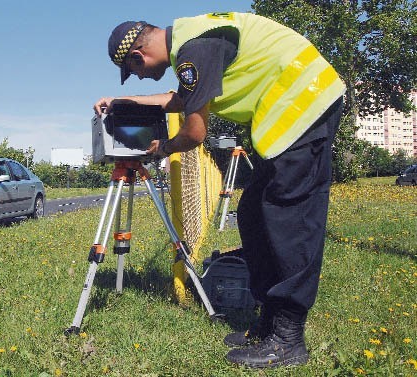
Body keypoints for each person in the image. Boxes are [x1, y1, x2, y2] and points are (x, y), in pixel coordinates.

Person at [94, 12, 345, 368]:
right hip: (294, 113)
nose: (137, 77)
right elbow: (180, 100)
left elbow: (194, 133)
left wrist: (161, 149)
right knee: (254, 215)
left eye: (133, 72)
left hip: (306, 107)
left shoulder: (195, 49)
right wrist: (125, 103)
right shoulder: (192, 44)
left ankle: (288, 337)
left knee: (290, 221)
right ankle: (269, 324)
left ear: (138, 56)